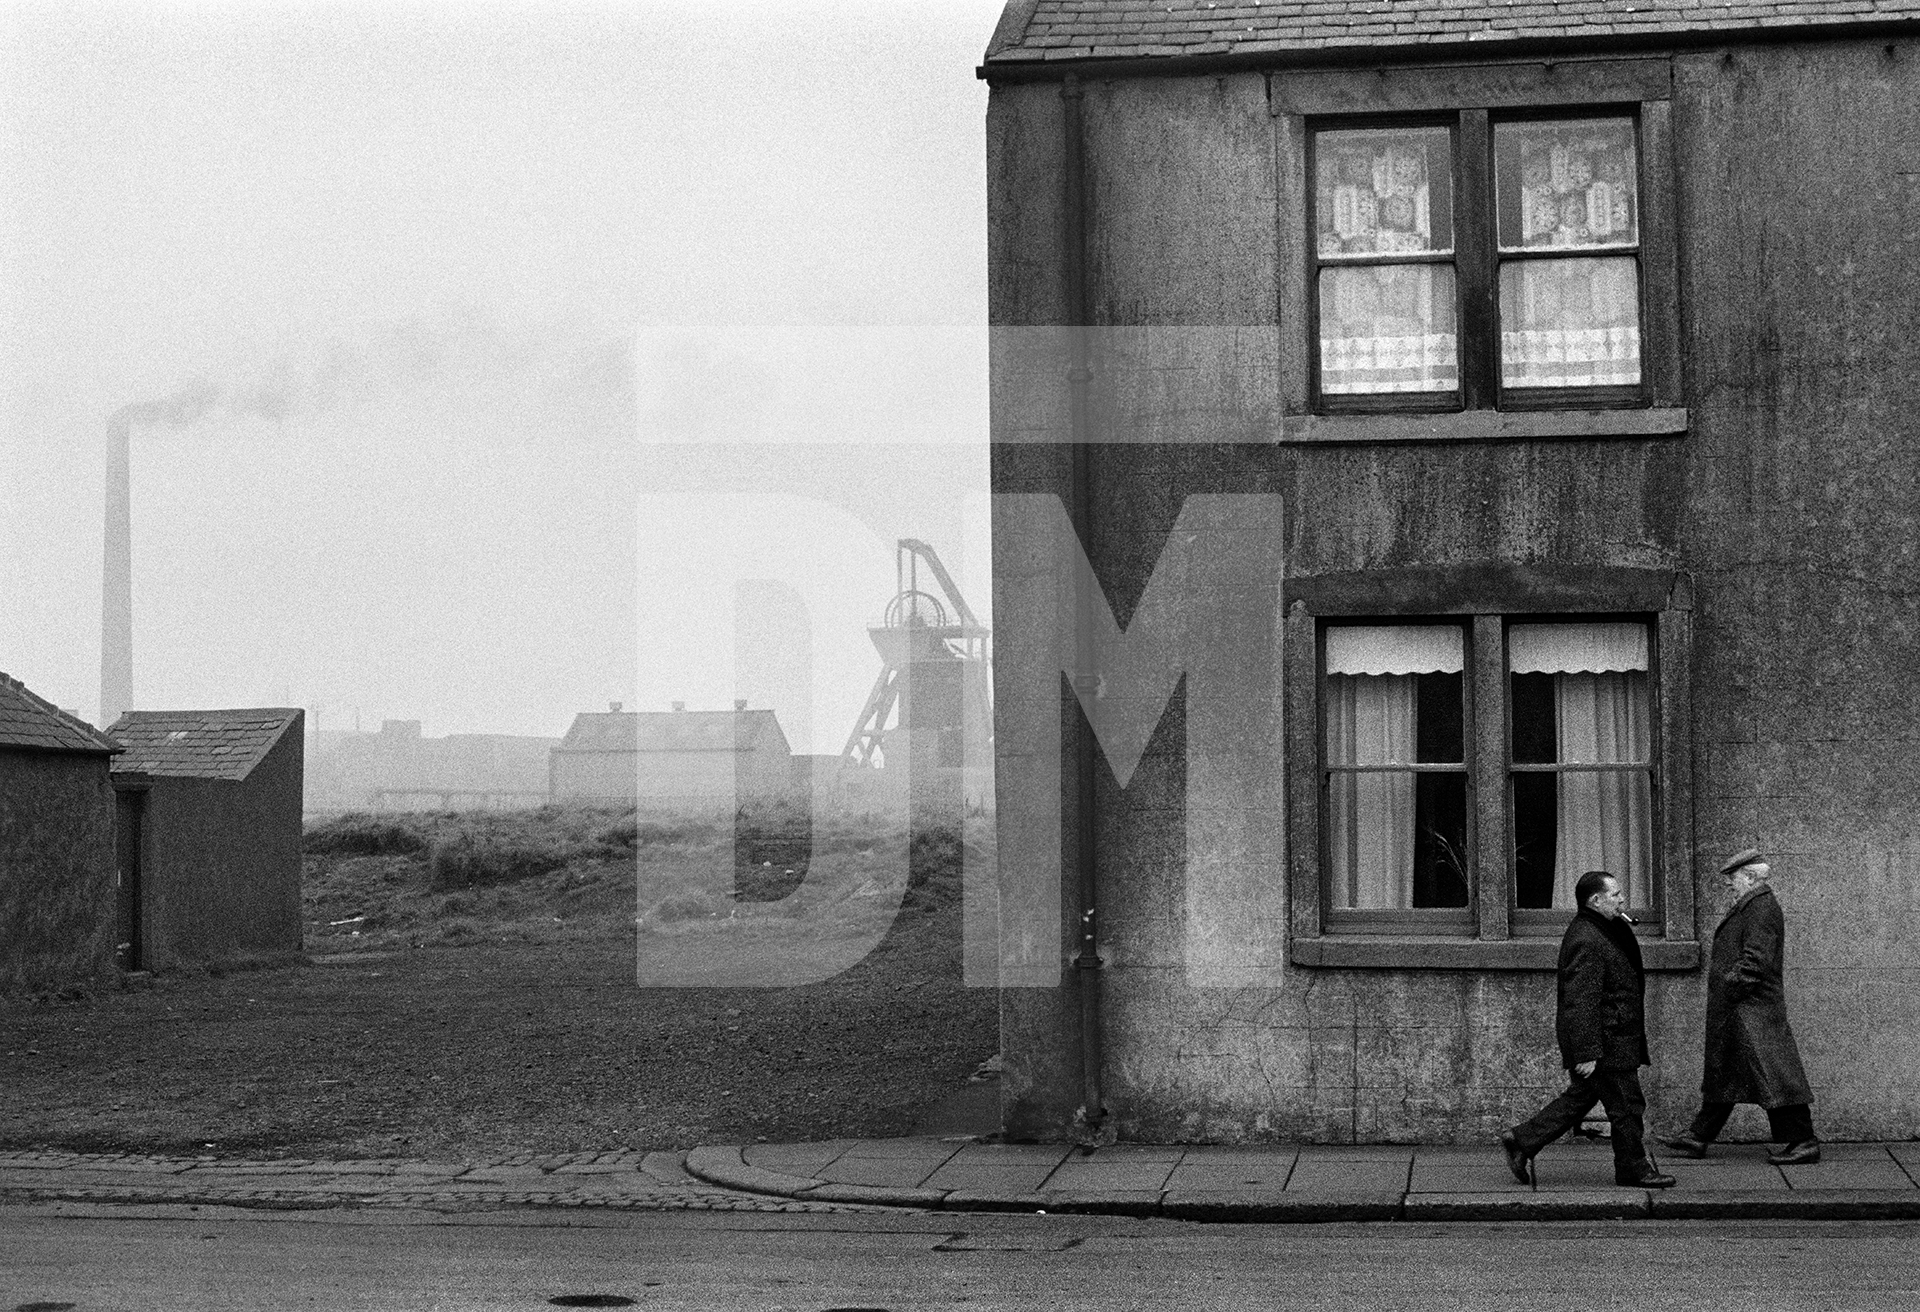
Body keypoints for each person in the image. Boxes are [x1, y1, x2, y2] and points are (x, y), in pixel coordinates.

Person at [1501, 870, 1676, 1189]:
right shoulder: (1587, 938)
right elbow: (1580, 1001)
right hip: (1606, 1041)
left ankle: (1522, 1139)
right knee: (1627, 1106)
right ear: (1595, 900)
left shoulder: (1607, 928)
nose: (1623, 899)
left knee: (1581, 1099)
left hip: (1614, 1035)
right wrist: (1586, 1052)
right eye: (1616, 894)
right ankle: (1633, 1168)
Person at [1660, 849, 1820, 1165]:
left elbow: (1756, 961)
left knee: (1775, 1074)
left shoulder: (1760, 908)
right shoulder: (1753, 906)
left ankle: (1804, 1141)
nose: (1730, 886)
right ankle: (1697, 1137)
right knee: (1725, 1073)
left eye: (1733, 879)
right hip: (1743, 1008)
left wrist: (1732, 986)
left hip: (1751, 1008)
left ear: (1749, 877)